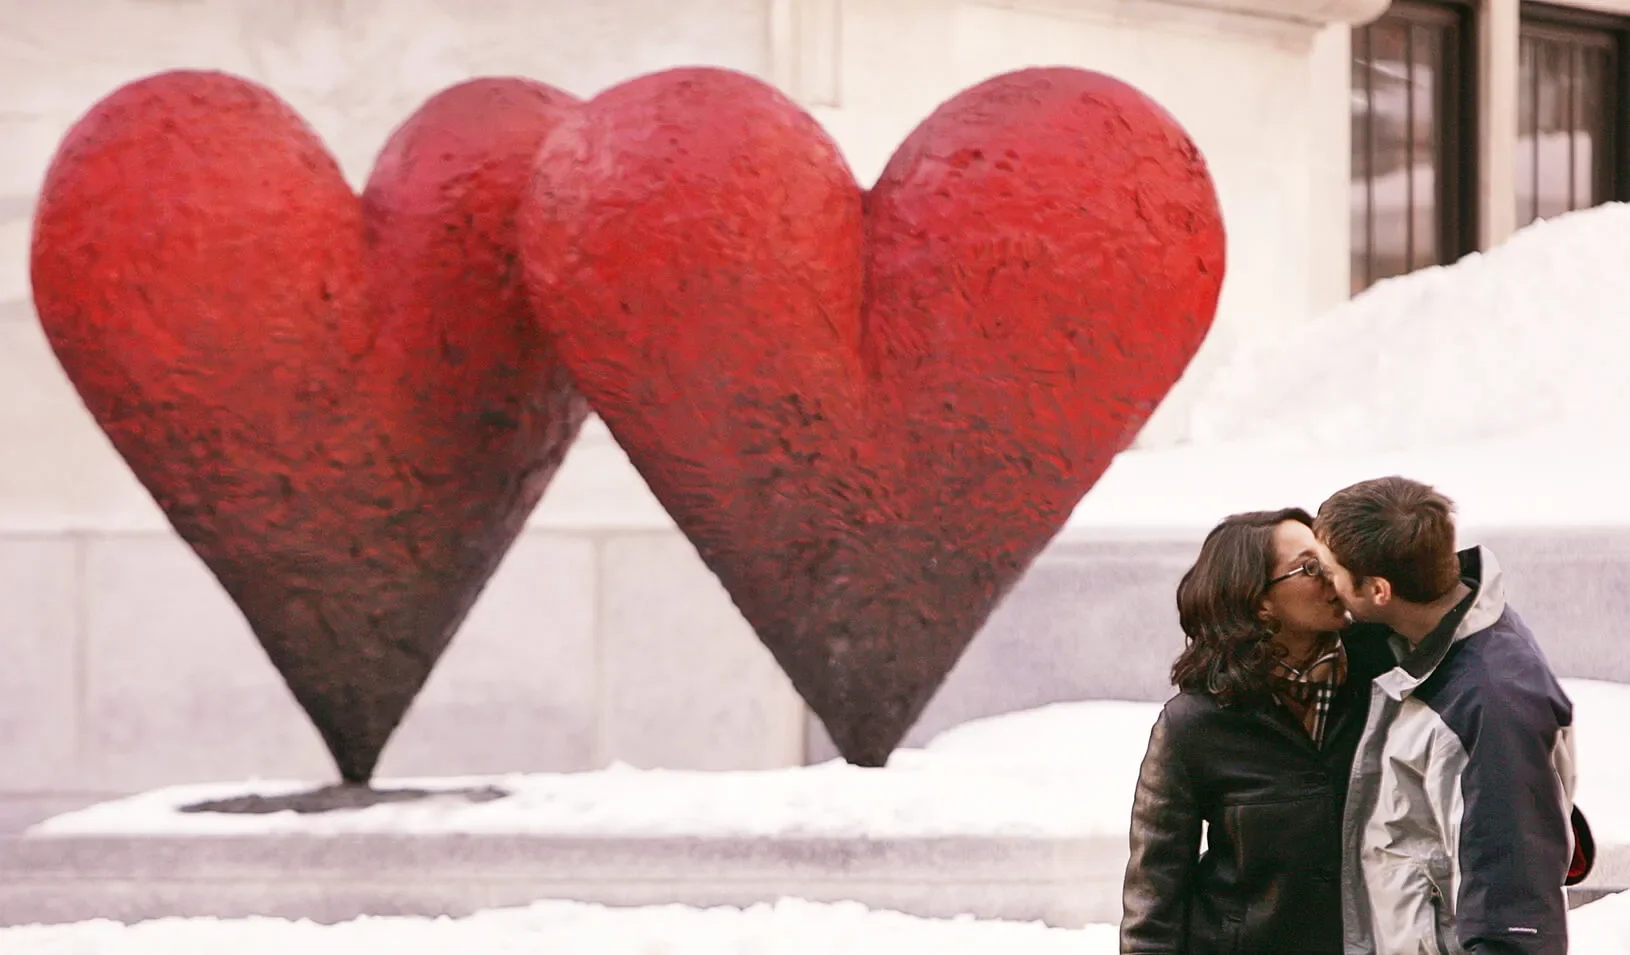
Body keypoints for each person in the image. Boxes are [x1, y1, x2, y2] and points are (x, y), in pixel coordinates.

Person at [1312, 476, 1589, 955]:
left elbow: (1513, 916)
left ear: (1378, 590)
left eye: (1329, 571)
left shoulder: (1490, 705)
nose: (1325, 585)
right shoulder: (1424, 637)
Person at [1121, 507, 1395, 954]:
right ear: (1258, 600)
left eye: (1330, 560)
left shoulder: (1383, 686)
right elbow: (1155, 894)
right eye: (1310, 567)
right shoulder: (1195, 723)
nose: (1333, 577)